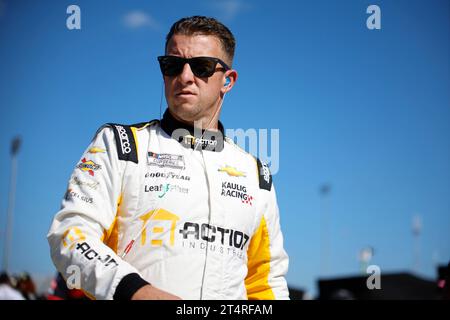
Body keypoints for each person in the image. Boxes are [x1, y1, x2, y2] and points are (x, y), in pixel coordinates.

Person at [47, 16, 289, 300]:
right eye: (173, 65)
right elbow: (71, 235)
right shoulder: (121, 146)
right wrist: (135, 291)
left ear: (228, 81)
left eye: (201, 67)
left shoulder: (256, 175)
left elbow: (266, 283)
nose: (185, 77)